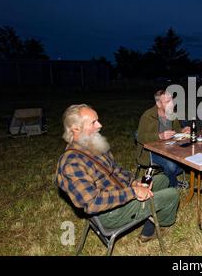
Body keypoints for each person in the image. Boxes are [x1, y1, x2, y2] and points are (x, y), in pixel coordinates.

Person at [55, 104, 179, 243]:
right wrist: (133, 192)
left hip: (120, 192)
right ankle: (157, 226)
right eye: (93, 122)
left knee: (162, 179)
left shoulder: (92, 145)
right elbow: (92, 203)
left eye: (98, 120)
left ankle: (149, 216)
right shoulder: (72, 163)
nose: (100, 125)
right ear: (76, 129)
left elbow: (115, 170)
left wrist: (134, 183)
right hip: (110, 213)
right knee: (172, 195)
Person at [137, 90, 190, 188]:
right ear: (158, 104)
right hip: (151, 151)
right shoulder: (148, 116)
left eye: (171, 100)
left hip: (170, 147)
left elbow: (176, 129)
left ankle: (164, 176)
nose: (171, 104)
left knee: (189, 158)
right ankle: (173, 184)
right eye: (167, 101)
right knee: (171, 166)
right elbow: (140, 136)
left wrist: (182, 130)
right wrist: (159, 136)